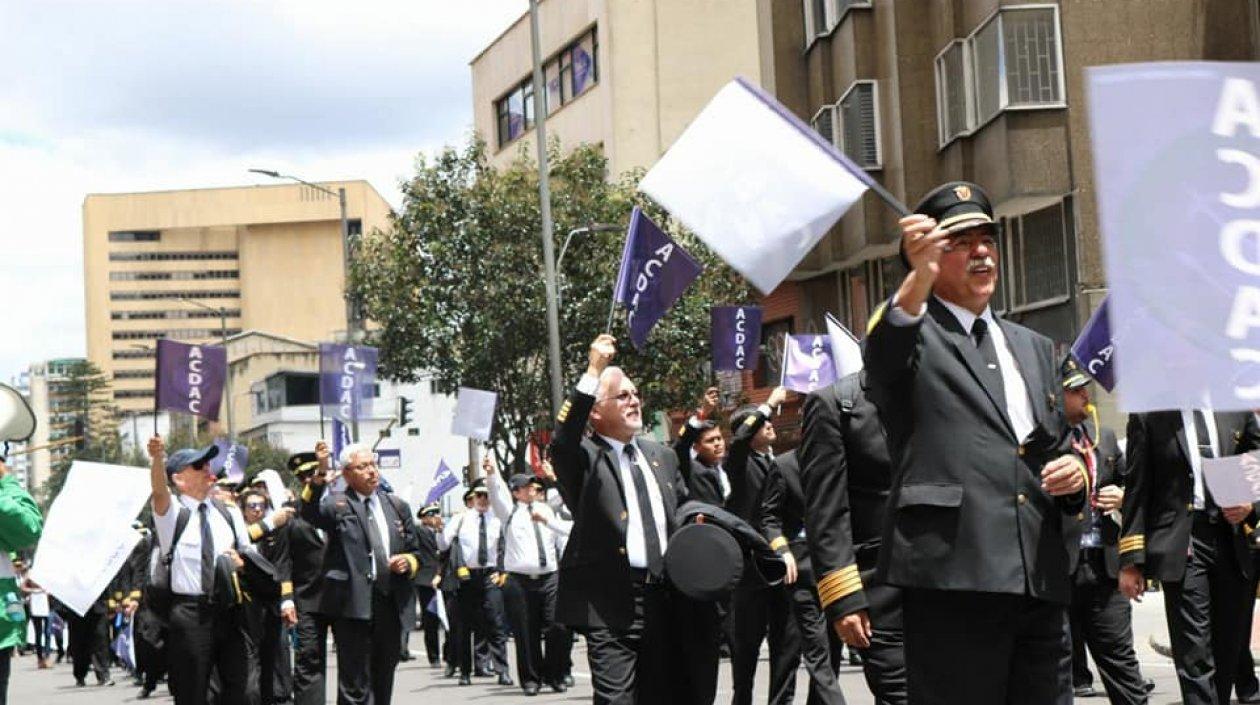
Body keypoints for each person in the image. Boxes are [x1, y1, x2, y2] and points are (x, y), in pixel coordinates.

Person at [865, 182, 1088, 703]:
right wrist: (915, 279)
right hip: (955, 576)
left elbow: (1049, 447)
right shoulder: (913, 333)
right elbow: (883, 354)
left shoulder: (1034, 347)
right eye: (962, 242)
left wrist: (1073, 479)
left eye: (987, 237)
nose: (982, 250)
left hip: (1037, 576)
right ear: (932, 255)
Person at [549, 334, 690, 704]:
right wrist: (594, 369)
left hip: (663, 597)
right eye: (622, 396)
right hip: (610, 603)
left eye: (635, 394)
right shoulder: (584, 457)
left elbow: (684, 514)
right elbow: (562, 439)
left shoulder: (661, 455)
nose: (633, 401)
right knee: (617, 700)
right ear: (596, 411)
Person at [1119, 409, 1260, 705]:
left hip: (1230, 538)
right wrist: (1131, 560)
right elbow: (1137, 487)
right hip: (1183, 539)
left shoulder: (1232, 408)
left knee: (1228, 650)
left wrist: (1252, 503)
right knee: (1195, 655)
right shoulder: (1149, 415)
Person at [800, 371, 906, 704]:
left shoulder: (946, 389)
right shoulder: (836, 404)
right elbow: (826, 512)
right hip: (881, 592)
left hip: (953, 587)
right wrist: (843, 598)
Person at [299, 440, 424, 705]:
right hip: (353, 606)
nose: (371, 471)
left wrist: (407, 562)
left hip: (389, 603)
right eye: (363, 466)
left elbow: (418, 552)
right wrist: (321, 474)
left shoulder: (396, 506)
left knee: (383, 677)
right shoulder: (339, 505)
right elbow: (308, 511)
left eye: (373, 465)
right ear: (346, 474)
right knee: (355, 684)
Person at [1056, 360, 1149, 704]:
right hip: (1060, 567)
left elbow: (1131, 484)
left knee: (1121, 660)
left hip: (1103, 565)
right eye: (1075, 390)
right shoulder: (1044, 441)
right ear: (1055, 396)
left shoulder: (1102, 435)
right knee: (1055, 668)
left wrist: (1121, 496)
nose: (1085, 395)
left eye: (1085, 388)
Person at [146, 435, 259, 705]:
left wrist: (243, 562)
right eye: (198, 466)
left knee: (243, 690)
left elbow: (248, 551)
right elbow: (159, 492)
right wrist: (157, 459)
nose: (208, 469)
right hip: (190, 615)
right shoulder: (173, 514)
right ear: (179, 479)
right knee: (192, 692)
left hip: (230, 611)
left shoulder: (228, 512)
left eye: (208, 464)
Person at [758, 448, 847, 705]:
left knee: (832, 649)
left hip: (838, 569)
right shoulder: (784, 465)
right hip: (801, 570)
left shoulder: (839, 459)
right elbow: (769, 518)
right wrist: (782, 551)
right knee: (816, 650)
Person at [724, 385, 794, 705]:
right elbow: (739, 439)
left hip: (781, 564)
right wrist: (767, 403)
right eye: (760, 422)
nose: (769, 423)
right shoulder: (739, 461)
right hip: (750, 570)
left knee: (785, 642)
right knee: (747, 646)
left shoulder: (776, 463)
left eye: (768, 419)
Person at [486, 458, 571, 696]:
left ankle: (556, 674)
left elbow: (567, 507)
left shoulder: (546, 508)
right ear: (515, 492)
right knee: (526, 631)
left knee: (558, 627)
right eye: (526, 486)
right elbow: (496, 493)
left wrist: (554, 476)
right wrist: (492, 475)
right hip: (520, 580)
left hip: (550, 577)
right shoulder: (509, 512)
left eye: (534, 485)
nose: (532, 489)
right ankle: (531, 679)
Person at [439, 479, 511, 686]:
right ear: (472, 497)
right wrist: (444, 529)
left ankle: (502, 670)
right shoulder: (462, 519)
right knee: (463, 626)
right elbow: (443, 544)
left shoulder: (497, 519)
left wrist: (501, 570)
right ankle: (465, 672)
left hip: (489, 576)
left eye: (487, 495)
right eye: (479, 495)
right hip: (466, 576)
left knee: (496, 624)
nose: (483, 500)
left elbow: (504, 547)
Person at [240, 488, 297, 705]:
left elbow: (282, 566)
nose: (257, 510)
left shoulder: (276, 532)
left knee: (274, 654)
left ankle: (277, 696)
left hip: (270, 602)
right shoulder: (239, 528)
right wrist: (269, 523)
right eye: (252, 506)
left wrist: (287, 600)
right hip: (245, 604)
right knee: (249, 660)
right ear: (243, 510)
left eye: (261, 506)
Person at [285, 452, 329, 705]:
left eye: (313, 474)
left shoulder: (342, 504)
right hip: (307, 597)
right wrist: (287, 599)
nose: (308, 480)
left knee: (355, 660)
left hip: (341, 595)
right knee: (308, 659)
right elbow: (283, 560)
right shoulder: (291, 514)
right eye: (303, 477)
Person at [672, 387, 730, 506]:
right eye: (710, 441)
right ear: (696, 447)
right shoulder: (691, 469)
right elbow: (681, 445)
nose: (717, 443)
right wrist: (702, 413)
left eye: (719, 438)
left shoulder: (727, 466)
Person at [413, 503, 444, 667]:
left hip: (444, 578)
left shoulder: (443, 532)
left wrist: (441, 530)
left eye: (436, 514)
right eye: (431, 515)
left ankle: (449, 654)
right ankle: (434, 656)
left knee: (448, 620)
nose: (435, 518)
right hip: (426, 579)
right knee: (430, 619)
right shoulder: (420, 531)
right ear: (424, 518)